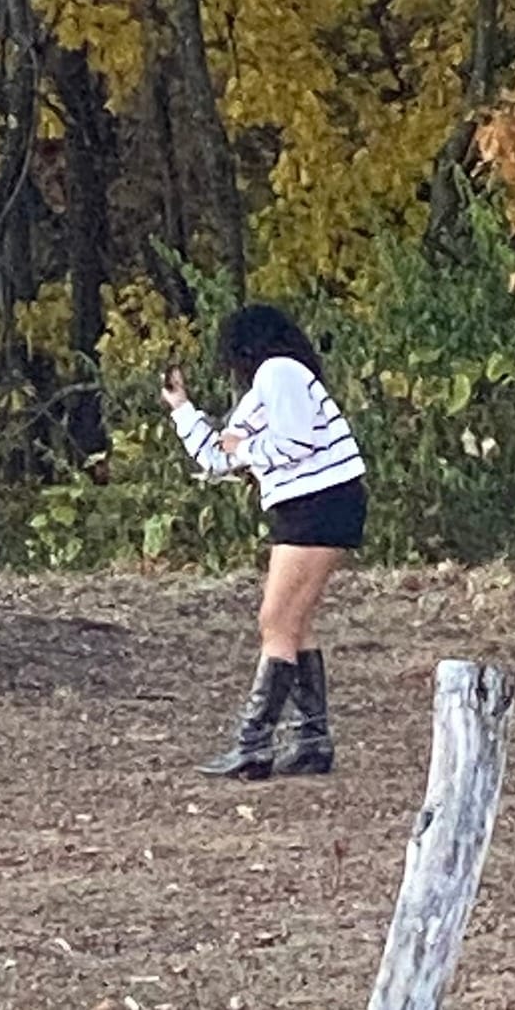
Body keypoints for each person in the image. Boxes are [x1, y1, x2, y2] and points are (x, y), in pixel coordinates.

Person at [161, 304, 367, 779]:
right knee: (294, 624)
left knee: (275, 620)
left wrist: (246, 451)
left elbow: (296, 443)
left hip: (319, 502)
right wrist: (182, 409)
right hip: (313, 504)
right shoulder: (268, 386)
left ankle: (253, 745)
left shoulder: (280, 373)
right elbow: (216, 458)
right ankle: (313, 741)